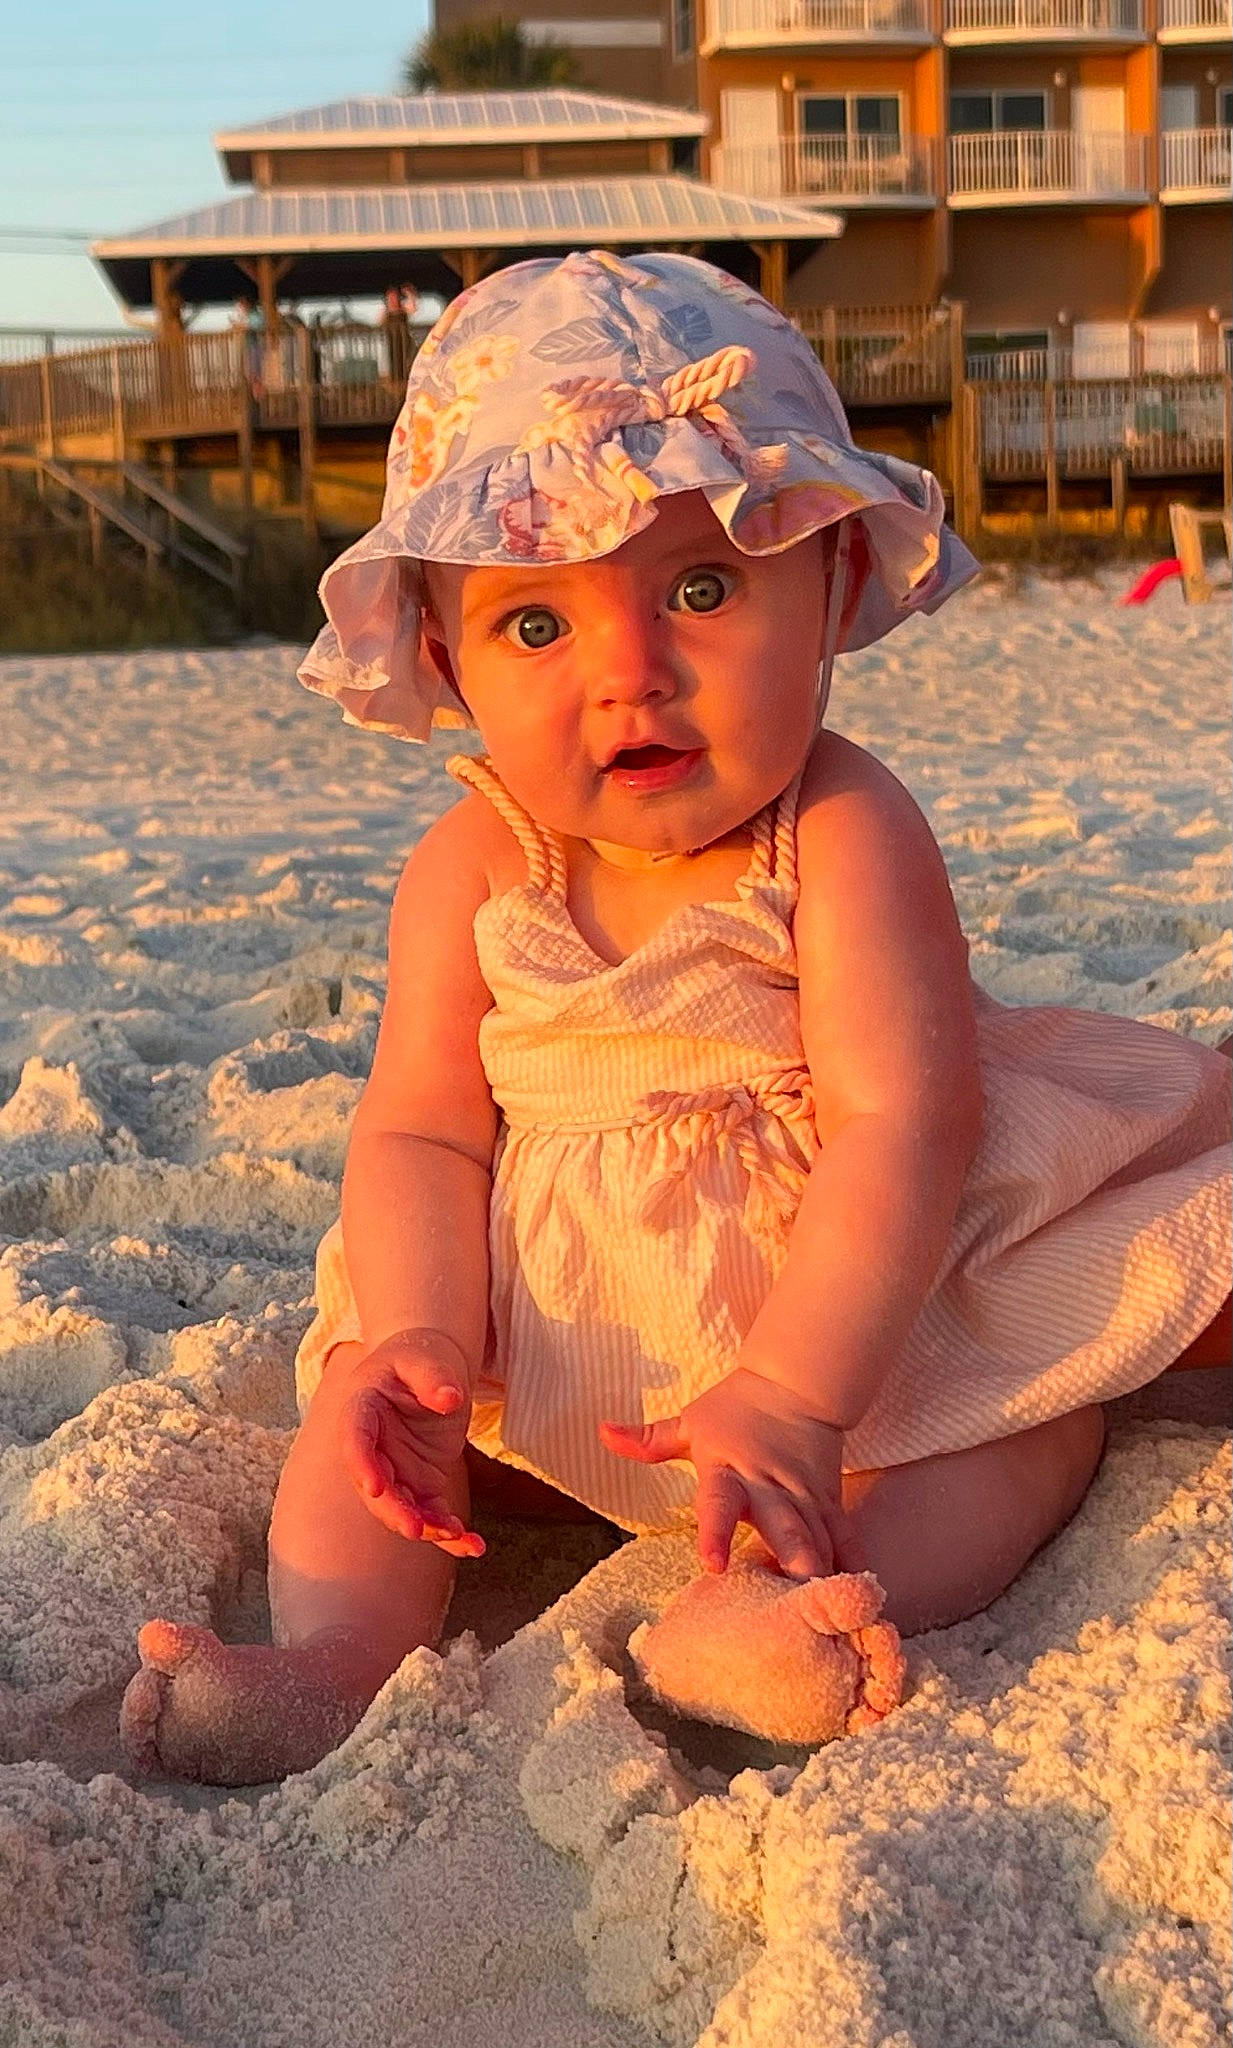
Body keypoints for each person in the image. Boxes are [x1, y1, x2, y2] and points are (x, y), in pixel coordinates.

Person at [120, 250, 1231, 1786]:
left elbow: (903, 1121)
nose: (628, 677)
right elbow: (421, 1127)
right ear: (442, 653)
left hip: (844, 1313)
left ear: (830, 589)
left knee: (1025, 1421)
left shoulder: (836, 828)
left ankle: (776, 1610)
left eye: (702, 590)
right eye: (534, 627)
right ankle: (330, 1660)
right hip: (551, 1318)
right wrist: (428, 1335)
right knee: (353, 1424)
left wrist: (792, 1390)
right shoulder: (470, 866)